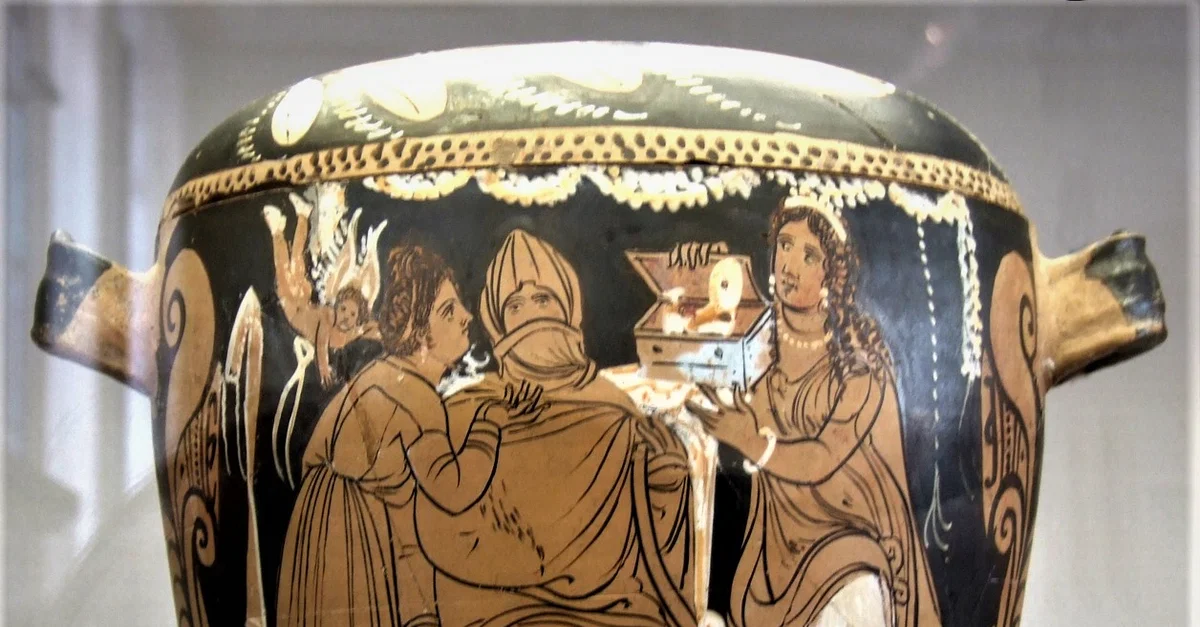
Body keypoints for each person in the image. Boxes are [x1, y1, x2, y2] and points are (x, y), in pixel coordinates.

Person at [415, 229, 697, 626]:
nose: (532, 314)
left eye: (543, 299)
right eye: (515, 306)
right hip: (498, 615)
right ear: (499, 324)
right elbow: (439, 530)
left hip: (609, 613)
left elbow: (654, 548)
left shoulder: (614, 407)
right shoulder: (469, 408)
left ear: (567, 307)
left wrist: (666, 481)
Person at [686, 197, 941, 627]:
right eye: (785, 245)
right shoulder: (758, 336)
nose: (790, 265)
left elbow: (821, 457)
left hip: (844, 537)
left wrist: (749, 439)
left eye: (809, 256)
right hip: (777, 541)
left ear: (831, 274)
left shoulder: (858, 361)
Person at [275, 242, 543, 627]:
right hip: (347, 539)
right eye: (448, 311)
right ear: (419, 333)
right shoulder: (409, 392)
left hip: (340, 526)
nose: (466, 317)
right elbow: (454, 490)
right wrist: (491, 421)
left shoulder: (389, 374)